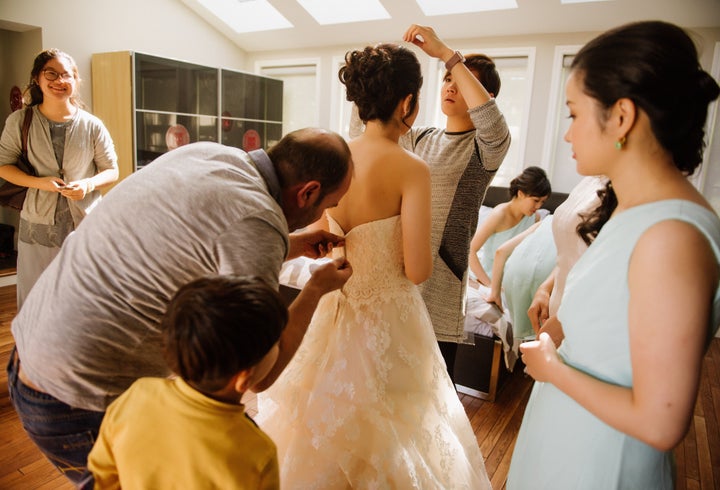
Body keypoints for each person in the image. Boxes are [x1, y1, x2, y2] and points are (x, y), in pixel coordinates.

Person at [7, 127, 353, 483]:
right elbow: (257, 370)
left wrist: (290, 244)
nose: (325, 213)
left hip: (30, 351)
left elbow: (208, 239)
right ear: (308, 192)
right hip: (76, 397)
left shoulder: (210, 154)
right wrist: (315, 289)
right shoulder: (258, 222)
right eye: (328, 205)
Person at [258, 43, 491, 488]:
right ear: (408, 103)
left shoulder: (334, 155)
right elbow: (418, 270)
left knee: (321, 420)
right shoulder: (411, 168)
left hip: (332, 305)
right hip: (391, 317)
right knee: (398, 431)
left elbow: (326, 238)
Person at [508, 20, 720, 489]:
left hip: (600, 463)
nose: (568, 135)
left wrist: (553, 370)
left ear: (621, 117)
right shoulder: (635, 211)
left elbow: (661, 422)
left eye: (573, 114)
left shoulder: (671, 237)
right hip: (570, 440)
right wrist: (562, 330)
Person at [350, 24, 511, 382]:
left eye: (462, 79)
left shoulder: (484, 150)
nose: (451, 84)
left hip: (439, 288)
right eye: (446, 79)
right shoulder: (418, 137)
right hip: (394, 282)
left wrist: (446, 56)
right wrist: (377, 69)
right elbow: (365, 131)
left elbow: (494, 126)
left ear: (485, 96)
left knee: (428, 394)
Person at [85, 275, 287, 489]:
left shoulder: (137, 394)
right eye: (276, 343)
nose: (279, 348)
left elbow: (102, 474)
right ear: (244, 378)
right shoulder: (256, 451)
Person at [0, 49, 119, 308]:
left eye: (66, 75)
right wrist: (39, 182)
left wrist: (87, 184)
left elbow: (111, 170)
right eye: (50, 74)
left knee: (84, 299)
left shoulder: (92, 125)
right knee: (36, 300)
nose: (59, 81)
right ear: (37, 79)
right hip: (38, 226)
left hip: (85, 224)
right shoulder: (20, 121)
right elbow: (3, 165)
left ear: (75, 80)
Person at [526, 175, 606, 346]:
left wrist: (566, 318)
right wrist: (545, 288)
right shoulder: (588, 180)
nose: (569, 145)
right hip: (559, 306)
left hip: (583, 319)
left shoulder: (623, 191)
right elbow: (573, 252)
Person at [468, 165, 550, 287]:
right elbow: (471, 251)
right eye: (536, 200)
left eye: (542, 202)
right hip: (488, 277)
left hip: (513, 280)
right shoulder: (499, 215)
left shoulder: (535, 217)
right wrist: (490, 285)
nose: (539, 206)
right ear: (521, 194)